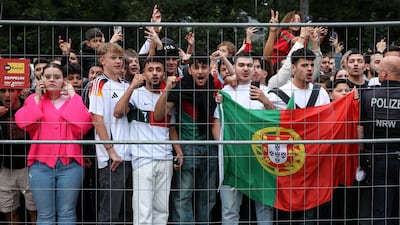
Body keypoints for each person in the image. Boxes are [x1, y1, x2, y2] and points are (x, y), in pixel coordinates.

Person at [15, 62, 92, 224]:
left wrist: (74, 96)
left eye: (56, 77)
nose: (51, 80)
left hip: (70, 164)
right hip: (40, 165)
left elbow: (84, 125)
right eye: (47, 76)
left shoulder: (74, 100)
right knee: (45, 214)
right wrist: (36, 95)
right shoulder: (34, 99)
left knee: (67, 212)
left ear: (64, 80)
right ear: (41, 79)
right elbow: (23, 123)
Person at [114, 57, 184, 225]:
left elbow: (171, 128)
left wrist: (179, 151)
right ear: (143, 73)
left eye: (158, 70)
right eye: (150, 69)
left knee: (161, 210)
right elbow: (118, 113)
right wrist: (132, 86)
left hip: (165, 158)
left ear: (164, 74)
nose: (154, 73)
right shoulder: (136, 94)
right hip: (142, 158)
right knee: (143, 210)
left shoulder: (168, 97)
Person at [154, 51, 220, 224]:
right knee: (183, 195)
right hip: (187, 147)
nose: (200, 71)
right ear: (189, 69)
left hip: (210, 146)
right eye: (196, 67)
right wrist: (167, 90)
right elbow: (159, 115)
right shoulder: (181, 88)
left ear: (209, 69)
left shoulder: (214, 86)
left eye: (203, 67)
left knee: (208, 196)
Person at [267, 48, 330, 225]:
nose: (309, 69)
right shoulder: (276, 96)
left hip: (313, 165)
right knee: (284, 214)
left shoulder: (321, 93)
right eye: (304, 65)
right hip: (286, 165)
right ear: (293, 69)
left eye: (311, 65)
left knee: (308, 215)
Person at [212, 53, 275, 225]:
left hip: (260, 160)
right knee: (230, 210)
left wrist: (266, 101)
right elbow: (216, 123)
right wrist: (224, 147)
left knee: (264, 208)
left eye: (250, 65)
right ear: (235, 67)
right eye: (241, 65)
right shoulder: (224, 93)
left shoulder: (265, 91)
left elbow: (276, 122)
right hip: (232, 160)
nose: (246, 69)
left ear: (256, 68)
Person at [88, 42, 133, 224]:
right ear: (102, 60)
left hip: (131, 154)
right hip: (112, 158)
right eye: (113, 58)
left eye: (120, 58)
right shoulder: (98, 84)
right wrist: (110, 150)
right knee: (110, 212)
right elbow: (96, 119)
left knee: (127, 212)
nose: (118, 62)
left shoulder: (126, 83)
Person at [360, 55, 400, 225]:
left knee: (381, 210)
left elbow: (359, 128)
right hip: (394, 154)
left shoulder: (367, 95)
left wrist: (361, 156)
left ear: (383, 74)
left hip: (378, 158)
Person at [0, 88, 37, 225]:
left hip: (29, 167)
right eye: (2, 91)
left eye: (11, 90)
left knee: (35, 210)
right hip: (4, 168)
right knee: (9, 211)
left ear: (19, 91)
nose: (7, 95)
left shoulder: (29, 105)